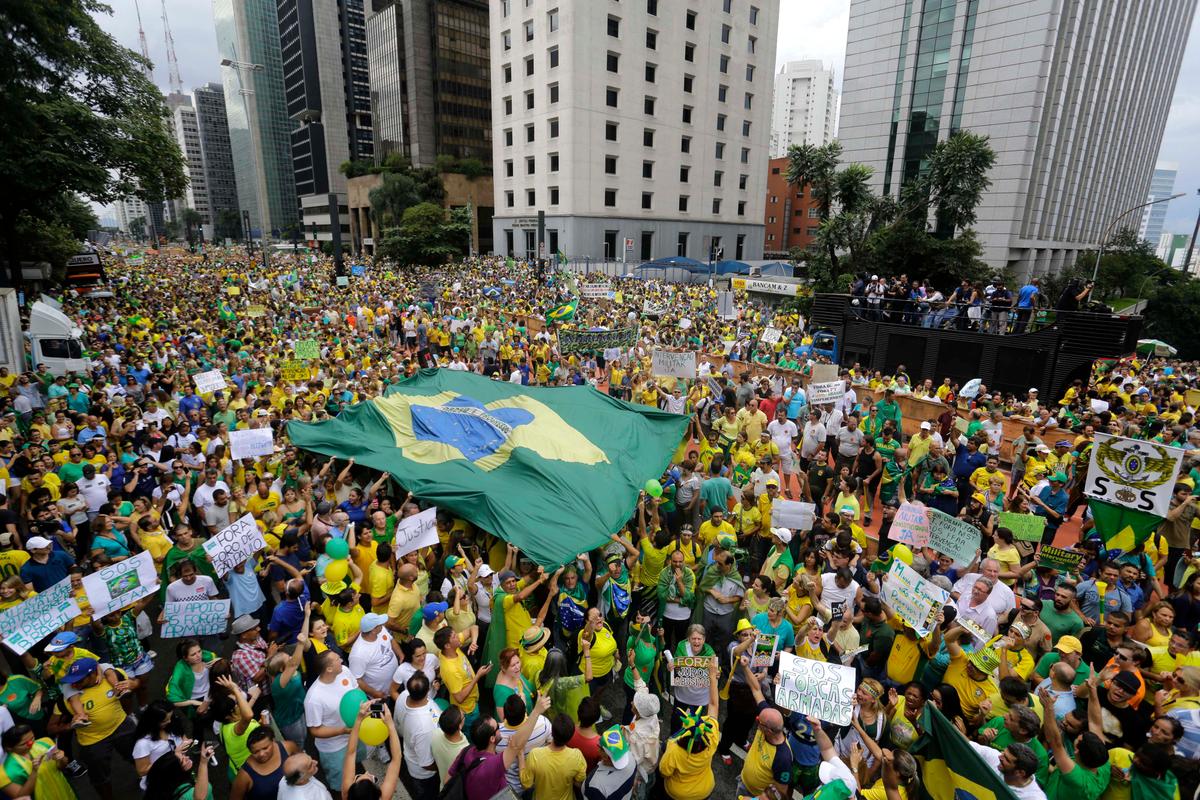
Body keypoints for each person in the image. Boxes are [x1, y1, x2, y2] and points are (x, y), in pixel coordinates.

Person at [304, 650, 367, 794]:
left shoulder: (344, 671)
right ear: (329, 669)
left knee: (356, 765)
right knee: (341, 785)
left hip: (355, 734)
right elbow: (315, 730)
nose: (342, 661)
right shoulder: (314, 698)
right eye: (338, 660)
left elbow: (356, 692)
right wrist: (343, 731)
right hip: (334, 748)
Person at [339, 701, 402, 800]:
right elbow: (397, 758)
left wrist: (359, 720)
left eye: (358, 777)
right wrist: (390, 724)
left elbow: (351, 753)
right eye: (373, 779)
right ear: (378, 793)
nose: (367, 772)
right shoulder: (347, 794)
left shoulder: (347, 793)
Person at [518, 712, 587, 800]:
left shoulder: (535, 755)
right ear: (570, 737)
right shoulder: (577, 756)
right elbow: (579, 781)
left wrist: (520, 755)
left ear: (552, 732)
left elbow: (526, 784)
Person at [231, 727, 302, 800]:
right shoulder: (244, 775)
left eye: (265, 748)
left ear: (273, 741)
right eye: (255, 752)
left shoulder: (288, 747)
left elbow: (303, 764)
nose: (261, 754)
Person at [144, 741, 215, 800]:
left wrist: (176, 753)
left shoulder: (166, 787)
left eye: (184, 755)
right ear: (176, 773)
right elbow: (200, 797)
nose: (187, 757)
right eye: (183, 761)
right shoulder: (185, 794)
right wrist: (203, 762)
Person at [582, 725, 637, 800]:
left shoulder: (594, 785)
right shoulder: (632, 758)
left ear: (606, 757)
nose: (598, 750)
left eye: (600, 747)